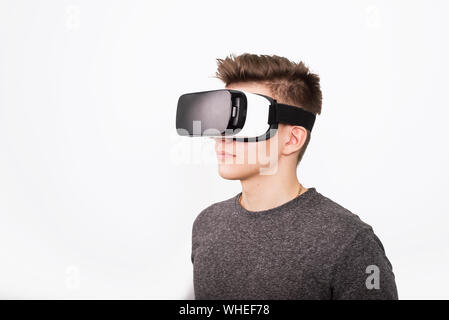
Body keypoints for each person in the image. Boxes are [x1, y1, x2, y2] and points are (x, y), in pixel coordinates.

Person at [190, 53, 398, 299]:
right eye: (222, 119)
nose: (221, 136)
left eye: (243, 120)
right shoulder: (207, 224)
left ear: (292, 139)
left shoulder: (350, 243)